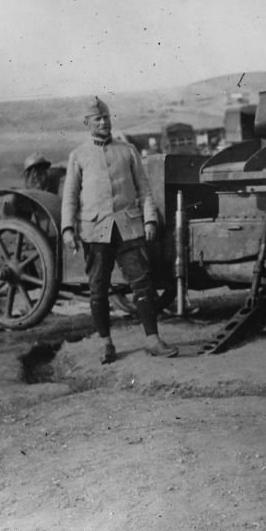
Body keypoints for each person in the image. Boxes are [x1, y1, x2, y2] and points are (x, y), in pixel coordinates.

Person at [61, 96, 177, 364]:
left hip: (128, 228)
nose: (103, 122)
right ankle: (106, 344)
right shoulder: (78, 156)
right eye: (97, 119)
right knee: (98, 288)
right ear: (87, 123)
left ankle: (152, 340)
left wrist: (149, 220)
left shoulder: (127, 151)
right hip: (95, 231)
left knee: (143, 283)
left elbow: (144, 189)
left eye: (106, 117)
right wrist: (68, 228)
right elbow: (70, 196)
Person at [0, 152, 62, 220]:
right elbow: (3, 217)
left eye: (41, 171)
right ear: (27, 176)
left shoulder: (49, 195)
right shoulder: (17, 197)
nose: (36, 176)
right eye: (32, 172)